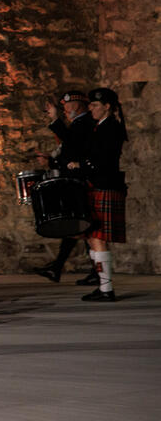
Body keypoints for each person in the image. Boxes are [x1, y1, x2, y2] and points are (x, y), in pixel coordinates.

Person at [33, 90, 95, 285]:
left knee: (83, 228)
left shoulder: (84, 123)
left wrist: (55, 119)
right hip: (75, 179)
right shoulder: (78, 124)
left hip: (82, 179)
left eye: (68, 105)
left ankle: (62, 267)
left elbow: (73, 145)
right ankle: (59, 267)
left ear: (77, 105)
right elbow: (70, 150)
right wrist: (52, 162)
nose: (66, 109)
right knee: (79, 228)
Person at [76, 87, 128, 302]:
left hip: (104, 185)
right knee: (92, 237)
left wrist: (82, 164)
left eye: (95, 105)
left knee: (97, 237)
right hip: (97, 185)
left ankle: (106, 288)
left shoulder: (111, 128)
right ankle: (103, 285)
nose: (91, 108)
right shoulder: (100, 126)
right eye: (90, 104)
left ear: (107, 106)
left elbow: (103, 160)